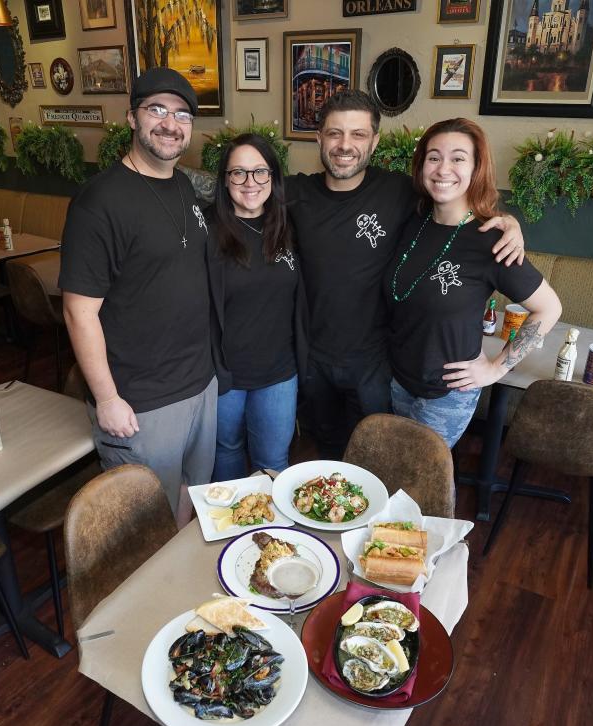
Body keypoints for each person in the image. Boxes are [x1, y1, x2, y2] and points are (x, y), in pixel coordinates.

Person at [285, 90, 528, 458]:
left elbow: (454, 199)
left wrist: (508, 222)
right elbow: (238, 193)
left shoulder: (401, 191)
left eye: (358, 134)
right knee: (328, 451)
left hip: (378, 365)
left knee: (377, 461)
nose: (345, 145)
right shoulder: (294, 193)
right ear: (319, 138)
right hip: (312, 361)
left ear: (375, 141)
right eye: (334, 133)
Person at [59, 67, 216, 525]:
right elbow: (77, 311)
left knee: (192, 503)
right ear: (132, 117)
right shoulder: (99, 202)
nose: (171, 123)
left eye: (182, 114)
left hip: (199, 384)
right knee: (146, 526)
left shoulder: (183, 184)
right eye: (158, 110)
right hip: (142, 402)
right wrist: (107, 398)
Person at [386, 118, 562, 446]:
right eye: (434, 157)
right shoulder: (412, 220)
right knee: (395, 481)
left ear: (476, 168)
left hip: (447, 396)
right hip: (397, 382)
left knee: (420, 487)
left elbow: (549, 308)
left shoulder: (491, 240)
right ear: (422, 164)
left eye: (458, 158)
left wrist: (497, 368)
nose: (443, 169)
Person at [206, 133, 308, 481]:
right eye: (239, 173)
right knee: (226, 451)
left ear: (273, 177)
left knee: (273, 462)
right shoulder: (205, 229)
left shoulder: (289, 225)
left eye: (260, 172)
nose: (250, 182)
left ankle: (272, 535)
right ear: (225, 180)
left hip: (279, 374)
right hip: (223, 375)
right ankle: (232, 535)